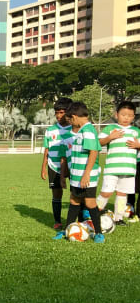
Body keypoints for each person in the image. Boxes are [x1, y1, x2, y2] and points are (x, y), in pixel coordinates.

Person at [54, 101, 105, 242]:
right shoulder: (81, 131)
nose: (70, 123)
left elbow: (94, 152)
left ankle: (99, 233)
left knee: (90, 203)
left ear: (75, 117)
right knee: (74, 201)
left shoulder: (88, 130)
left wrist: (86, 174)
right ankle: (66, 230)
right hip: (77, 175)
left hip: (86, 176)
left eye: (70, 120)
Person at [96, 100, 140, 224]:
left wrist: (138, 145)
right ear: (116, 114)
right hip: (112, 169)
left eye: (130, 115)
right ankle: (95, 213)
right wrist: (110, 137)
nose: (126, 118)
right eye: (123, 114)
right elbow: (98, 143)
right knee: (106, 192)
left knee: (122, 194)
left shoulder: (136, 131)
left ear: (133, 117)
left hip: (129, 169)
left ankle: (118, 218)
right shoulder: (110, 128)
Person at [40, 97, 73, 229]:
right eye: (57, 112)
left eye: (62, 112)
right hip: (54, 165)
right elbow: (46, 150)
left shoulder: (75, 130)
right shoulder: (50, 130)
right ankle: (57, 221)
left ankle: (77, 220)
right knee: (56, 193)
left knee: (75, 193)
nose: (59, 116)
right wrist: (43, 168)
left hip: (71, 165)